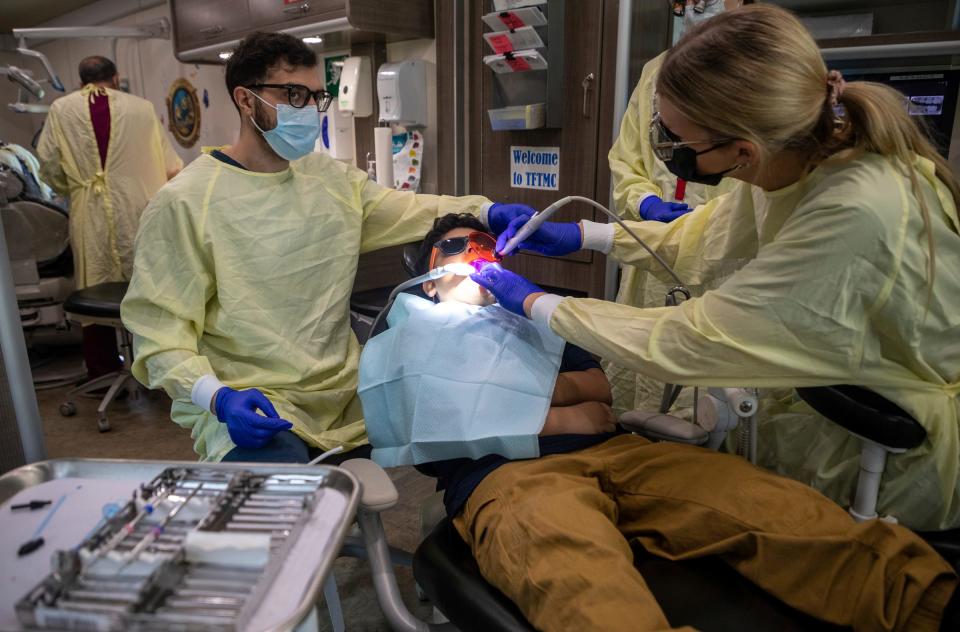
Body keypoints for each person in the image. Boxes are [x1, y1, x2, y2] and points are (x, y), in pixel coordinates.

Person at [472, 4, 960, 532]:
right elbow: (704, 239)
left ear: (743, 151)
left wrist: (536, 301)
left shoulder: (856, 209)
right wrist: (584, 235)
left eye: (681, 142)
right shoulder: (791, 162)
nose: (669, 150)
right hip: (820, 400)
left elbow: (689, 340)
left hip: (884, 441)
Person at [373, 213, 959, 632]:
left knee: (771, 507)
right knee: (579, 578)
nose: (476, 255)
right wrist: (556, 405)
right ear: (426, 275)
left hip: (622, 451)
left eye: (484, 244)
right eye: (456, 248)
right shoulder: (407, 338)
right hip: (509, 482)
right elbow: (429, 438)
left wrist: (510, 404)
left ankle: (929, 603)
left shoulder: (535, 314)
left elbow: (600, 394)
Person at [120, 32, 532, 463]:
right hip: (253, 400)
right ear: (245, 100)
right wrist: (217, 397)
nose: (309, 110)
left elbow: (410, 210)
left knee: (486, 416)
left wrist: (487, 212)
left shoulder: (330, 181)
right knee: (288, 506)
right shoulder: (186, 202)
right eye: (293, 94)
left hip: (347, 392)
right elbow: (158, 333)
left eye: (317, 96)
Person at [606, 0, 748, 419]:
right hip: (652, 255)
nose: (697, 7)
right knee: (645, 363)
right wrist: (644, 202)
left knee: (707, 392)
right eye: (690, 2)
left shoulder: (751, 74)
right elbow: (627, 159)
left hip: (724, 257)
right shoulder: (658, 71)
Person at [38, 56, 182, 380]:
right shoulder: (142, 108)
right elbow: (172, 166)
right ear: (116, 78)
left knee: (94, 284)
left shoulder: (61, 109)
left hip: (87, 211)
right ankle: (157, 371)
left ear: (80, 81)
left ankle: (103, 372)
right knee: (146, 287)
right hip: (138, 208)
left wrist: (76, 188)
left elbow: (47, 162)